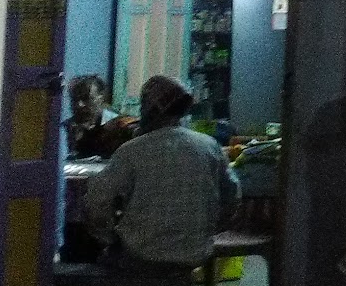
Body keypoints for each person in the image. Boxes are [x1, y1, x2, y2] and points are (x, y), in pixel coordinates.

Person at [86, 76, 240, 273]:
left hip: (140, 254)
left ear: (149, 109)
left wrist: (108, 236)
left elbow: (97, 201)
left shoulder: (132, 150)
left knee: (101, 256)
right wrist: (210, 229)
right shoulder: (210, 146)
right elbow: (232, 195)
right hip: (195, 254)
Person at [65, 75, 135, 160]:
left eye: (86, 98)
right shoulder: (67, 128)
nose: (80, 105)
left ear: (101, 98)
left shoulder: (122, 126)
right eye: (75, 99)